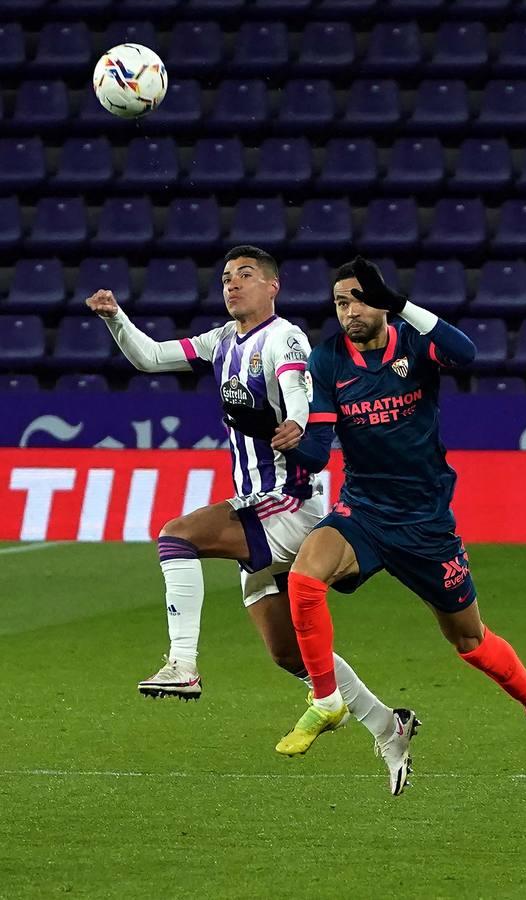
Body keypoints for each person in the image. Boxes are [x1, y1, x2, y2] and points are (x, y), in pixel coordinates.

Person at [86, 246, 418, 787]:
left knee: (176, 537)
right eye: (225, 277)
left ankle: (183, 664)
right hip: (259, 505)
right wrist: (115, 318)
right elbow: (149, 357)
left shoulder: (283, 336)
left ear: (272, 287)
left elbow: (296, 388)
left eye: (245, 275)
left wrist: (296, 421)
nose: (232, 284)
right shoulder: (222, 341)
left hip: (286, 500)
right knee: (292, 654)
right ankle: (389, 725)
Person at [272, 256, 526, 793]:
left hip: (425, 524)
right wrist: (294, 440)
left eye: (360, 299)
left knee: (471, 643)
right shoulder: (326, 360)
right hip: (363, 511)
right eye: (341, 302)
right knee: (303, 578)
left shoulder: (414, 344)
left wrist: (403, 304)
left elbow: (467, 352)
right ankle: (326, 700)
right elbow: (320, 450)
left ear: (382, 301)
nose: (349, 311)